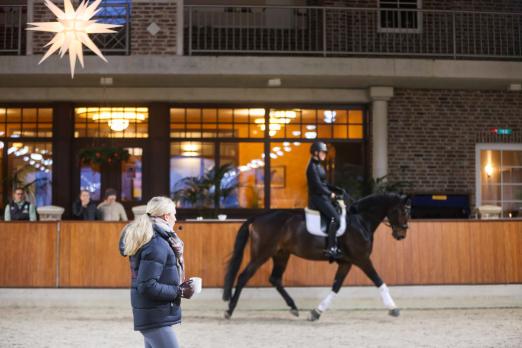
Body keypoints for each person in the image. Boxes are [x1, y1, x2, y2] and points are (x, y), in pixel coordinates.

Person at [119, 196, 195, 348]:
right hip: (155, 316)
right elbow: (147, 285)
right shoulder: (157, 243)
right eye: (174, 214)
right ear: (166, 216)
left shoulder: (153, 238)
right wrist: (178, 291)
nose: (175, 218)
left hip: (154, 314)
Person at [306, 141, 343, 260]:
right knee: (335, 219)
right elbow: (317, 186)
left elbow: (324, 183)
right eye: (322, 152)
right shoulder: (311, 167)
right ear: (316, 152)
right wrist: (330, 193)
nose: (324, 155)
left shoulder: (318, 166)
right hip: (317, 198)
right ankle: (331, 248)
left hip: (322, 196)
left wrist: (336, 189)